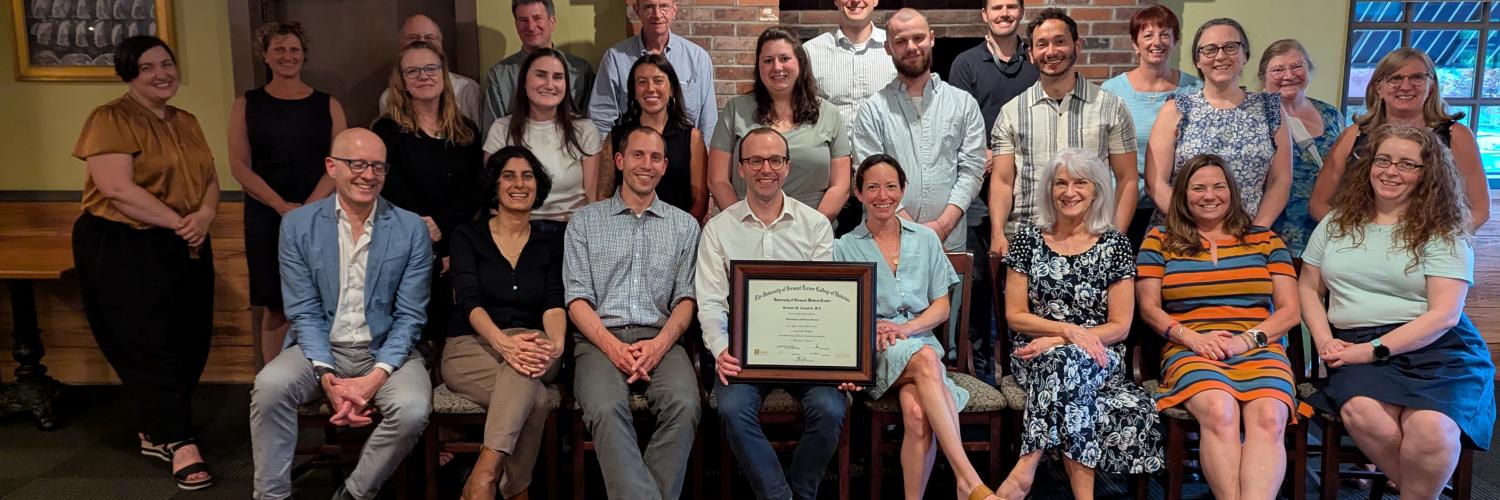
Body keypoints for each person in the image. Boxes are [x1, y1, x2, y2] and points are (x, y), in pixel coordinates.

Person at [1300, 123, 1495, 499]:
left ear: (1428, 175)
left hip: (1437, 348)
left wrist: (1371, 350)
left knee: (1431, 430)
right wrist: (1325, 340)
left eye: (1407, 164)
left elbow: (1444, 316)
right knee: (1363, 413)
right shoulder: (1336, 222)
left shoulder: (1444, 230)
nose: (1391, 171)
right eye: (1383, 160)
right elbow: (1309, 286)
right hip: (1354, 343)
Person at [251, 128, 434, 500]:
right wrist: (328, 377)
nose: (369, 175)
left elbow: (410, 316)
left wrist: (374, 378)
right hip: (319, 348)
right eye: (358, 164)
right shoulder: (298, 225)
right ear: (332, 167)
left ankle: (354, 493)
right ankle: (271, 496)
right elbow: (303, 310)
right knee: (269, 387)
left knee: (412, 408)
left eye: (378, 167)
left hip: (385, 350)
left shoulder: (410, 228)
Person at [72, 35, 219, 491]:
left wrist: (206, 215)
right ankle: (180, 441)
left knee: (190, 337)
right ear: (129, 73)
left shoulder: (186, 120)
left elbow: (211, 177)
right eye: (149, 66)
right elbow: (116, 189)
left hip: (186, 238)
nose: (162, 73)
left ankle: (157, 429)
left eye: (168, 64)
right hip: (125, 244)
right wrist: (180, 223)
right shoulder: (110, 118)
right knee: (146, 342)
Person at [1136, 154, 1309, 500]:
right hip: (1191, 349)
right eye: (1198, 188)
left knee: (1270, 418)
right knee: (1219, 410)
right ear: (1183, 195)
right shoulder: (1159, 240)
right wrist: (1193, 339)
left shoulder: (1265, 240)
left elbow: (1290, 312)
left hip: (1259, 349)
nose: (1208, 195)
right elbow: (1149, 309)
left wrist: (1246, 341)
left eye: (1218, 186)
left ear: (1232, 191)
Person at [998, 149, 1163, 500]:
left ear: (1097, 190)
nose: (1068, 192)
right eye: (1060, 183)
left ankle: (1024, 470)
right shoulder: (1027, 240)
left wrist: (1062, 342)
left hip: (1100, 354)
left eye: (1079, 183)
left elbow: (1120, 325)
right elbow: (1015, 315)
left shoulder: (1115, 244)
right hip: (1033, 353)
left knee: (1068, 363)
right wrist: (1067, 332)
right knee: (1068, 371)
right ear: (1049, 189)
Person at [698, 128, 853, 500]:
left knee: (830, 410)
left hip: (807, 353)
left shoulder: (815, 226)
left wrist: (844, 361)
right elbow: (710, 302)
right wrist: (721, 349)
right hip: (743, 355)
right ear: (741, 169)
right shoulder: (719, 230)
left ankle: (801, 492)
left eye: (775, 160)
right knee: (732, 409)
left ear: (787, 167)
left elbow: (828, 302)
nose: (765, 168)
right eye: (755, 160)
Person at [834, 154, 1001, 500]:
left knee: (916, 412)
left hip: (919, 341)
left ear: (903, 190)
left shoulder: (925, 240)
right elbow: (841, 310)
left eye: (891, 186)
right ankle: (967, 480)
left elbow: (941, 307)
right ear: (858, 193)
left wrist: (908, 329)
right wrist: (874, 330)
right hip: (876, 349)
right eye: (873, 187)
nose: (883, 195)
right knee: (926, 360)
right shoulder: (844, 247)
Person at [564, 126, 702, 500]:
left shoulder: (685, 226)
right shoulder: (585, 222)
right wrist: (613, 348)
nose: (647, 164)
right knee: (606, 408)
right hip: (598, 340)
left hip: (661, 337)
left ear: (665, 166)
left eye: (655, 157)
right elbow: (576, 299)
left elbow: (686, 300)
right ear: (620, 161)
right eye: (638, 155)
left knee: (686, 405)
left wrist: (658, 345)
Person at [442, 147, 564, 500]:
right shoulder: (467, 236)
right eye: (508, 175)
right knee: (535, 400)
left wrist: (556, 344)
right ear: (494, 185)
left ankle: (483, 475)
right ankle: (515, 489)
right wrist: (503, 343)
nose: (519, 184)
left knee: (526, 366)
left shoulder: (550, 242)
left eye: (527, 176)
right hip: (472, 347)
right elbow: (467, 301)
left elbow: (554, 301)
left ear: (537, 186)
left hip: (536, 344)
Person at [230, 22, 347, 365]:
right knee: (275, 301)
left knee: (325, 293)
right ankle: (273, 381)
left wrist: (307, 208)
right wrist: (281, 206)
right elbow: (238, 165)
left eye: (294, 49)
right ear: (265, 56)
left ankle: (326, 374)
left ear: (303, 55)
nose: (287, 56)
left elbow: (339, 161)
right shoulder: (246, 104)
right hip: (267, 212)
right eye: (279, 49)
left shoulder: (329, 104)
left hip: (321, 208)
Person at [989, 8, 1138, 256]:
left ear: (1077, 46)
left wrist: (1115, 239)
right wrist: (997, 234)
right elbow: (1003, 182)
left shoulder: (1111, 107)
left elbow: (1127, 179)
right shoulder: (1011, 112)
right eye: (1042, 44)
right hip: (1027, 240)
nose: (1051, 51)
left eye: (1060, 42)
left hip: (1094, 240)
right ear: (1031, 54)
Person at [373, 40, 484, 343]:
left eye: (431, 68)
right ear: (403, 82)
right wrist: (424, 226)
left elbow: (478, 188)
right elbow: (389, 186)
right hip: (406, 239)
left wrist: (442, 226)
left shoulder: (467, 130)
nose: (424, 76)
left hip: (457, 237)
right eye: (413, 71)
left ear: (443, 74)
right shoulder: (386, 130)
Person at [1308, 48, 1489, 230]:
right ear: (1378, 88)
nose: (1405, 86)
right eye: (1395, 78)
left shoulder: (1456, 136)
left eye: (1417, 77)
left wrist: (1444, 243)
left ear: (1431, 85)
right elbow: (1318, 205)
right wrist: (1352, 238)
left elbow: (1480, 209)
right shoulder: (1352, 136)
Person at [851, 8, 986, 252]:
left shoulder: (964, 103)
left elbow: (972, 171)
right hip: (886, 245)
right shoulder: (872, 110)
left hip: (949, 244)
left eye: (918, 38)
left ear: (932, 38)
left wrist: (942, 227)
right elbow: (869, 178)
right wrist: (915, 233)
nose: (911, 47)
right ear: (888, 48)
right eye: (900, 41)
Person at [1144, 18, 1292, 230]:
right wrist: (1196, 230)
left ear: (1245, 54)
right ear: (1197, 60)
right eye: (1210, 50)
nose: (1220, 56)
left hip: (1248, 234)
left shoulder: (1271, 109)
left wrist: (1256, 231)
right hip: (1184, 234)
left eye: (1230, 47)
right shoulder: (1176, 109)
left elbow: (1281, 181)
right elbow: (1155, 182)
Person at [708, 27, 850, 224]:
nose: (777, 67)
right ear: (759, 67)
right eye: (768, 61)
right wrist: (742, 224)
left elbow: (840, 186)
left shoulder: (830, 115)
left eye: (784, 58)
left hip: (812, 233)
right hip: (746, 230)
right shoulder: (735, 111)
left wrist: (812, 228)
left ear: (800, 62)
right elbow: (717, 180)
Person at [1099, 5, 1202, 246]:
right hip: (1123, 205)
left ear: (1175, 41)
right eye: (1148, 35)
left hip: (1177, 207)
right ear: (1135, 44)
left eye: (1165, 34)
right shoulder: (1112, 92)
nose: (1157, 42)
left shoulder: (1194, 90)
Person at [483, 48, 602, 233]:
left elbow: (593, 199)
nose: (549, 84)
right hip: (516, 232)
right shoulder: (501, 129)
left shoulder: (585, 129)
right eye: (540, 75)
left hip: (572, 231)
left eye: (558, 77)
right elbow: (494, 198)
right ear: (524, 81)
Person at [1257, 39, 1345, 257]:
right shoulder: (1253, 116)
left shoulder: (1331, 115)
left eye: (1297, 66)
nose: (1288, 75)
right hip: (1269, 232)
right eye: (1277, 69)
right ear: (1263, 76)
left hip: (1323, 232)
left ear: (1309, 69)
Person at [589, 0, 716, 140]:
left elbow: (708, 123)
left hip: (685, 157)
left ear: (674, 10)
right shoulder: (615, 59)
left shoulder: (698, 59)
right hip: (633, 156)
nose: (657, 14)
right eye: (649, 7)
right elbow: (600, 120)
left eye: (663, 6)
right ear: (637, 10)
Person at [599, 54, 707, 218]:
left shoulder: (692, 138)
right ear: (634, 91)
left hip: (678, 234)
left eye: (658, 81)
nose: (650, 88)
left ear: (672, 89)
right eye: (642, 82)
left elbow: (700, 199)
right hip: (623, 234)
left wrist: (684, 234)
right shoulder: (616, 137)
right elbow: (604, 194)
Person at [482, 0, 594, 130]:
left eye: (537, 18)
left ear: (552, 22)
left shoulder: (581, 70)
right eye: (523, 20)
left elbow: (589, 126)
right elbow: (491, 134)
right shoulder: (498, 76)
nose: (530, 26)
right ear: (516, 25)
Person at [803, 0, 898, 133]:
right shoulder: (810, 52)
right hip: (830, 151)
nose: (855, 1)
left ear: (875, 1)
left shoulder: (897, 49)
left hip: (885, 150)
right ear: (836, 1)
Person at [378, 14, 481, 123]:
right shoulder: (388, 99)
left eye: (429, 37)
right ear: (401, 44)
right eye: (413, 38)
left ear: (440, 44)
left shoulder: (468, 90)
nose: (423, 42)